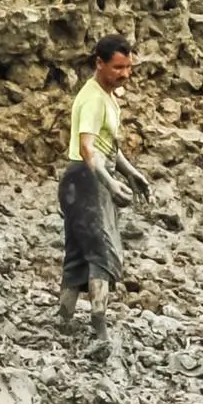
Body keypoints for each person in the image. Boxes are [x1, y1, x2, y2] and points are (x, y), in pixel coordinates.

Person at [57, 34, 149, 357]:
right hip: (85, 180)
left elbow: (109, 145)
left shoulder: (109, 96)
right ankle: (100, 329)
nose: (125, 74)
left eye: (128, 67)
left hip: (88, 179)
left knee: (79, 255)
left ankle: (63, 319)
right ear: (99, 63)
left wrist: (130, 172)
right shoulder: (93, 98)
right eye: (118, 68)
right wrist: (109, 184)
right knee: (103, 254)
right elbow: (86, 148)